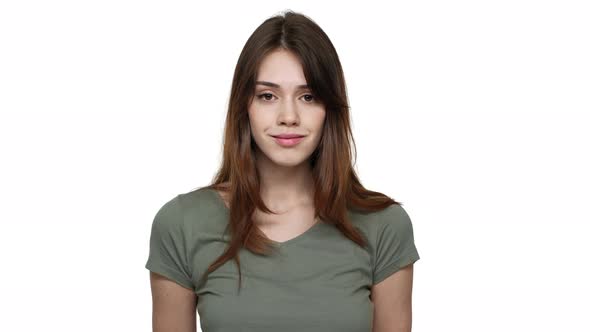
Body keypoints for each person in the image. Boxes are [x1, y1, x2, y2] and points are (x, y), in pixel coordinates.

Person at [145, 10, 420, 332]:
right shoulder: (181, 223)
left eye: (308, 96)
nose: (288, 116)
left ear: (329, 109)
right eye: (267, 96)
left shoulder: (383, 225)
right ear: (244, 107)